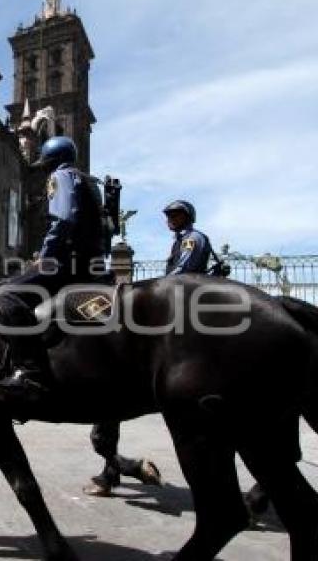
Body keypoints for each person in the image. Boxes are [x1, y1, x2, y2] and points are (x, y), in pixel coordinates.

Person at [84, 200, 213, 496]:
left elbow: (179, 276)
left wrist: (149, 293)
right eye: (168, 215)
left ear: (188, 217)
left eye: (176, 215)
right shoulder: (181, 240)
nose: (170, 219)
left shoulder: (193, 239)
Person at [0, 136, 106, 404]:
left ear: (51, 161)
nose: (43, 171)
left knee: (6, 296)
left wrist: (45, 256)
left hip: (66, 263)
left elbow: (62, 221)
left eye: (44, 165)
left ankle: (30, 372)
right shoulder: (90, 182)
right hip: (91, 263)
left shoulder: (61, 177)